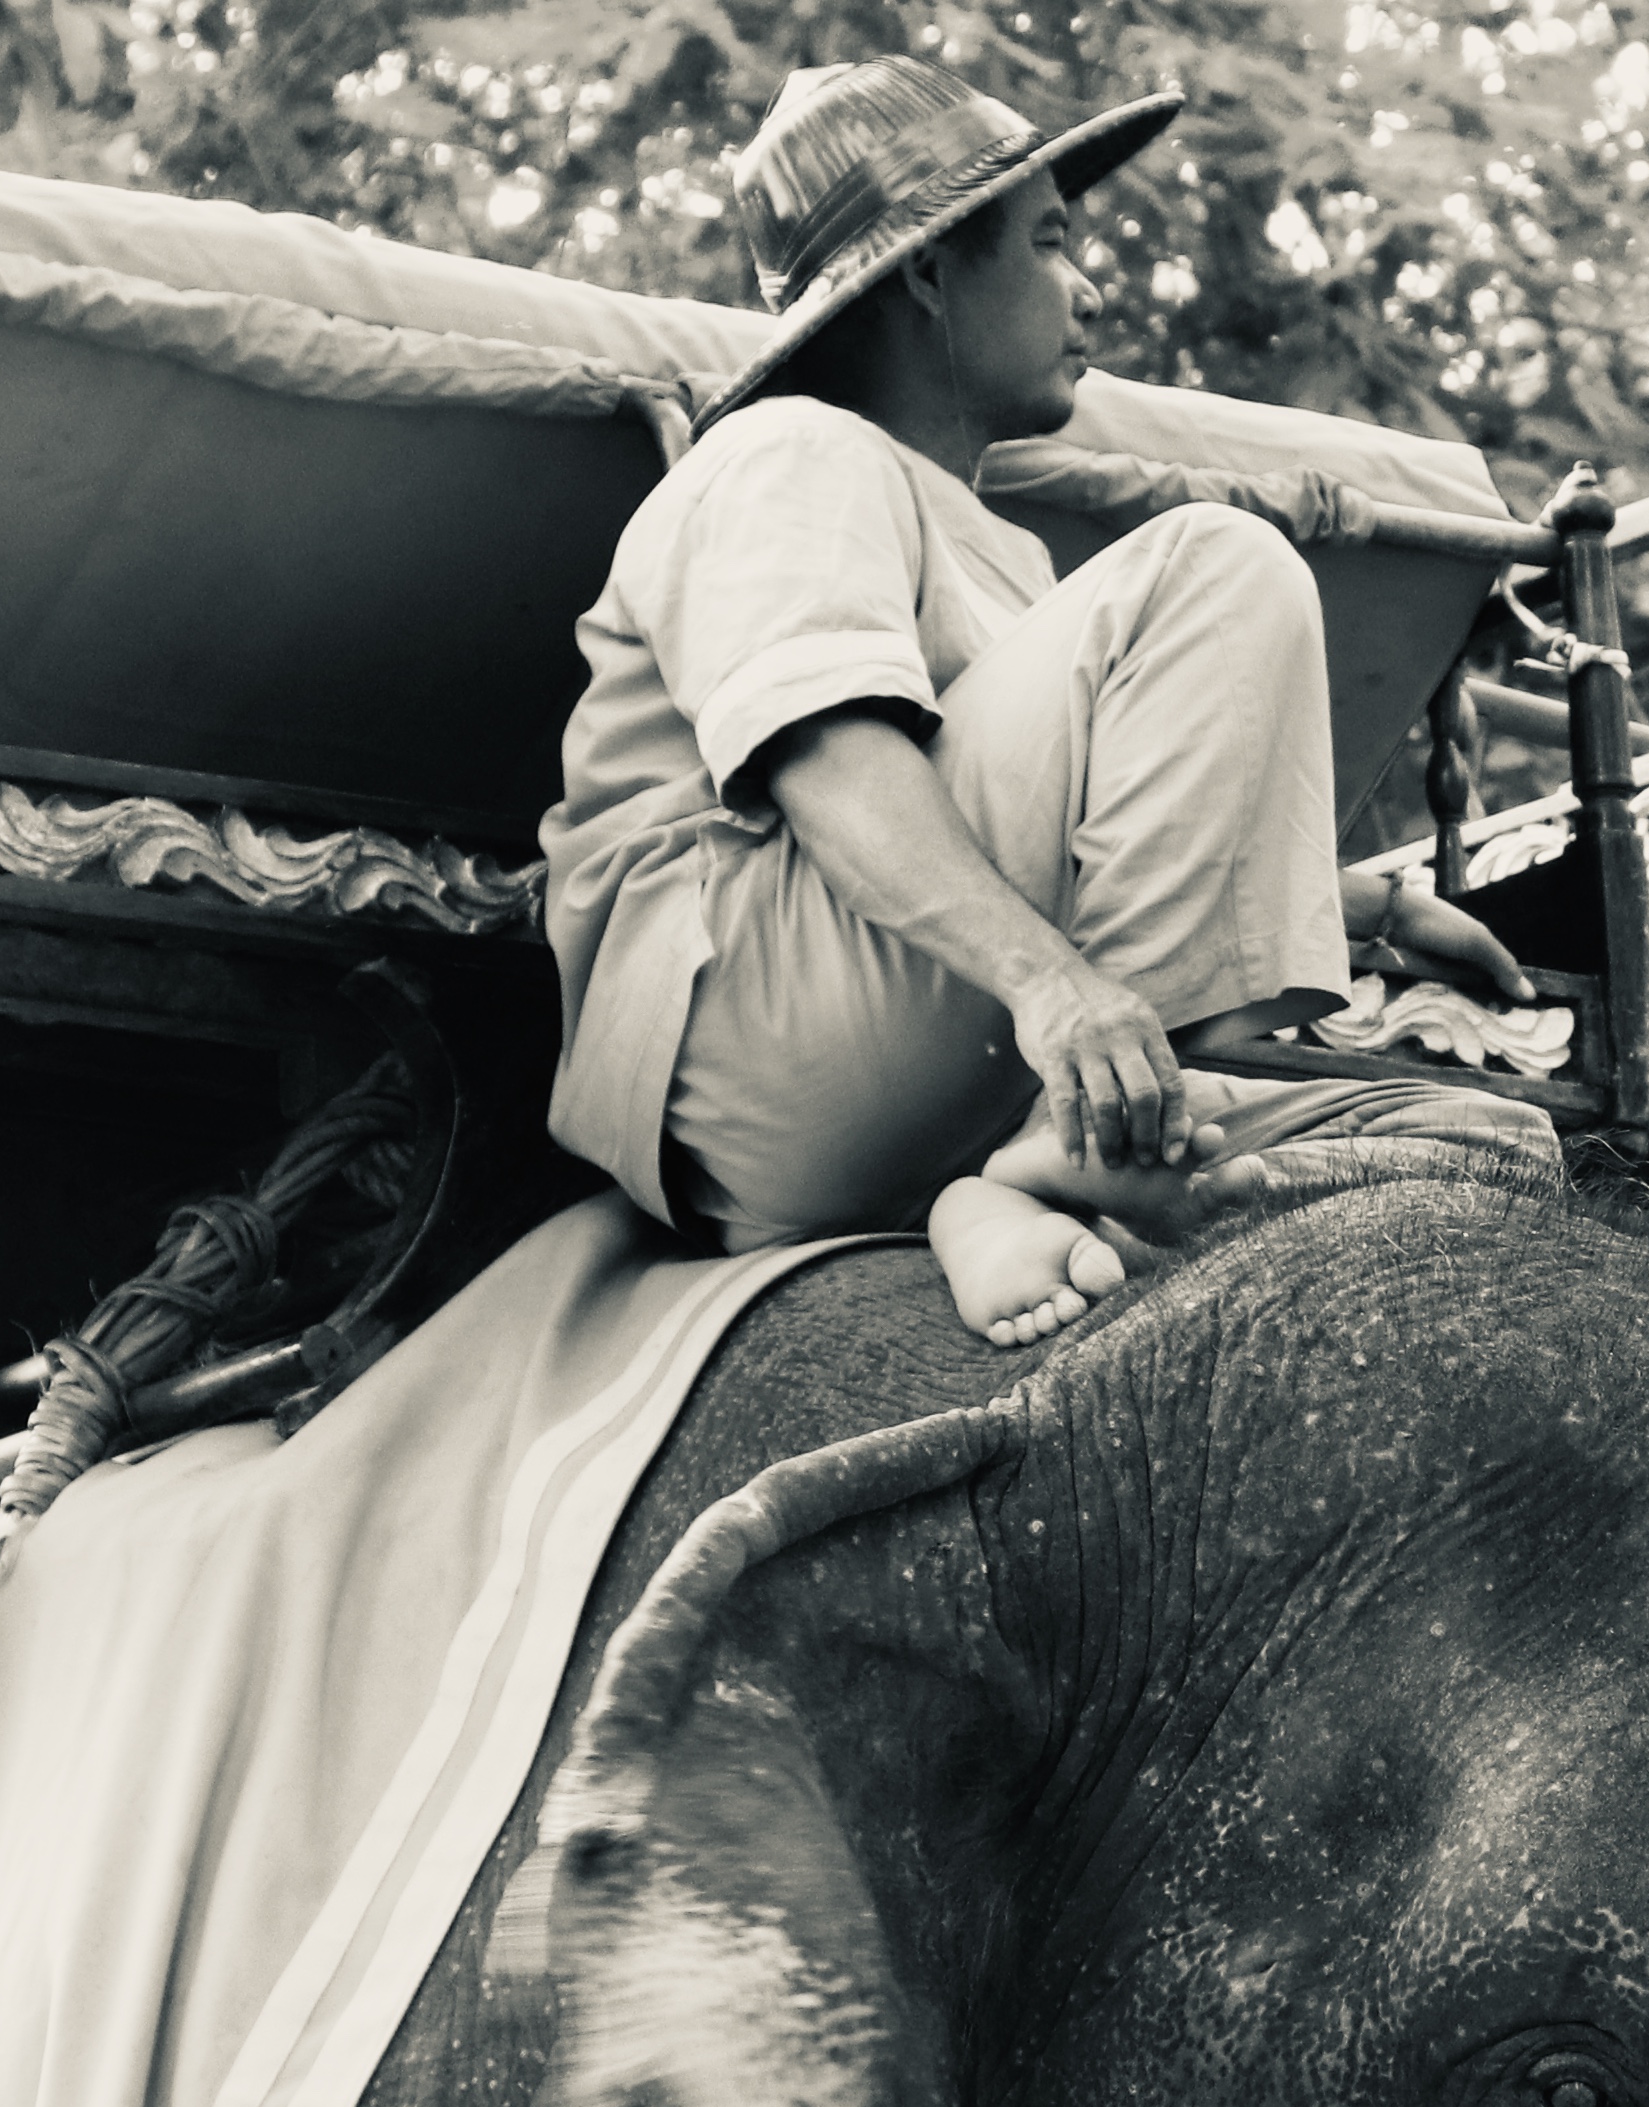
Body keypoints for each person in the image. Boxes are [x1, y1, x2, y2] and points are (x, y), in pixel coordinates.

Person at [537, 57, 1557, 1344]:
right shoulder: (785, 449)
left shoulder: (1001, 552)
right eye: (1052, 242)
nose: (1090, 289)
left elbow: (1049, 826)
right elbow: (832, 763)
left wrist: (1378, 911)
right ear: (927, 274)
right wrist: (1056, 990)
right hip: (757, 1043)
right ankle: (1077, 1151)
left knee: (1491, 1141)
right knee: (1221, 562)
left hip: (937, 1063)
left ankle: (1020, 1190)